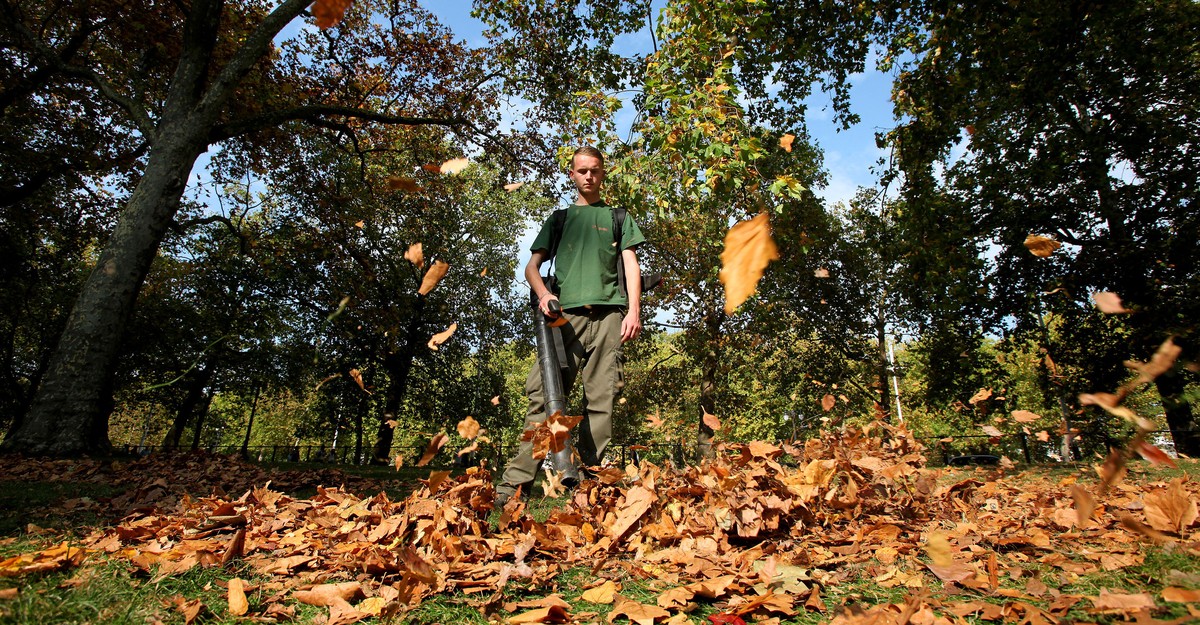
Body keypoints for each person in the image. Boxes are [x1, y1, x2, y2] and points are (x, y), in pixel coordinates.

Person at [495, 146, 645, 507]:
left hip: (610, 317)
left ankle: (591, 488)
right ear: (572, 175)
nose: (588, 176)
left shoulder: (618, 217)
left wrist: (634, 310)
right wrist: (544, 294)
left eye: (595, 170)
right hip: (563, 319)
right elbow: (532, 268)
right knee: (543, 397)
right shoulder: (559, 220)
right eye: (582, 171)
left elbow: (631, 265)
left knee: (602, 401)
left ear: (602, 173)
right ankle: (513, 488)